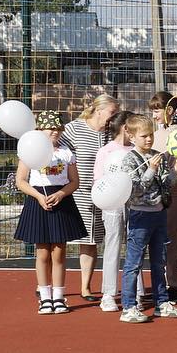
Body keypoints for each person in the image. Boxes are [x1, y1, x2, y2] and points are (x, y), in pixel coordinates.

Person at [14, 110, 87, 314]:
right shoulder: (29, 150)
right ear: (40, 129)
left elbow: (75, 182)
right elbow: (21, 181)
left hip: (61, 201)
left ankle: (59, 296)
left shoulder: (66, 152)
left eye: (57, 128)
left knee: (59, 252)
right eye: (50, 128)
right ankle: (45, 297)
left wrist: (61, 194)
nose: (54, 132)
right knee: (43, 252)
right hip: (38, 202)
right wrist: (38, 196)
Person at [118, 114, 177, 323]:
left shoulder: (158, 155)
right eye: (144, 136)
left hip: (159, 214)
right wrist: (150, 170)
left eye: (151, 136)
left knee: (159, 261)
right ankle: (129, 306)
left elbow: (165, 185)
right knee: (134, 263)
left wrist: (176, 171)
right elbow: (134, 190)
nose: (149, 140)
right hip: (140, 216)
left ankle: (162, 303)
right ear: (131, 136)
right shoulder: (129, 160)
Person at [63, 93, 120, 302]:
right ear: (98, 110)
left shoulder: (111, 134)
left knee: (92, 241)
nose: (115, 117)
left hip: (106, 194)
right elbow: (57, 151)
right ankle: (49, 286)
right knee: (62, 240)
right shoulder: (74, 129)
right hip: (77, 192)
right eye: (112, 113)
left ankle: (86, 287)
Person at [148, 91, 177, 299]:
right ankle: (159, 283)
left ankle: (174, 283)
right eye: (153, 111)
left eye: (157, 110)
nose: (154, 115)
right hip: (154, 193)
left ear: (169, 111)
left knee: (172, 239)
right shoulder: (153, 135)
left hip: (176, 193)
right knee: (155, 239)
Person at [92, 110, 134, 314]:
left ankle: (135, 292)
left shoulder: (136, 150)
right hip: (113, 205)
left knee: (135, 248)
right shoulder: (106, 152)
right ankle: (108, 294)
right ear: (126, 128)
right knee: (113, 246)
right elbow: (99, 181)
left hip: (135, 204)